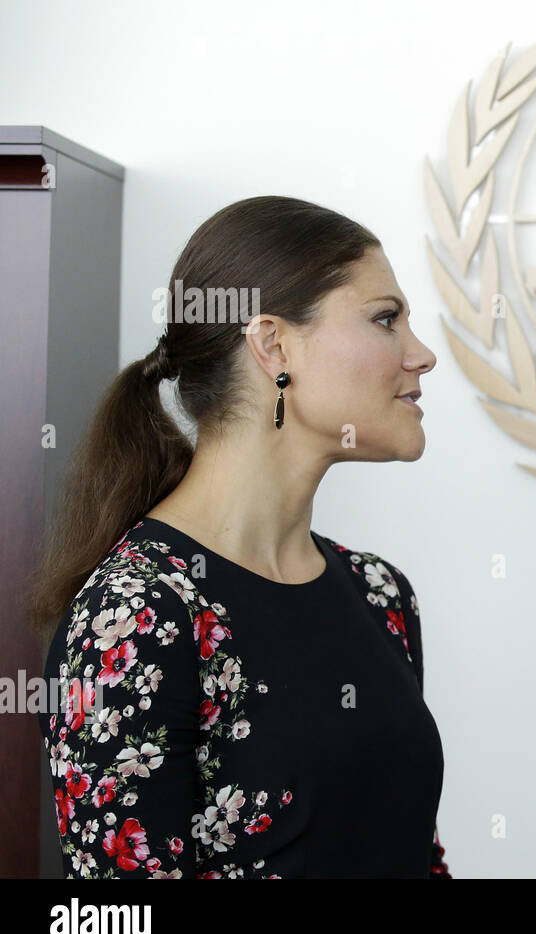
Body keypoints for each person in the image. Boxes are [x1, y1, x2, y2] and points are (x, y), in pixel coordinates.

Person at [27, 196, 450, 877]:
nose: (422, 356)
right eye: (385, 319)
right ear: (273, 345)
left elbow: (413, 855)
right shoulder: (136, 617)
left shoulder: (379, 593)